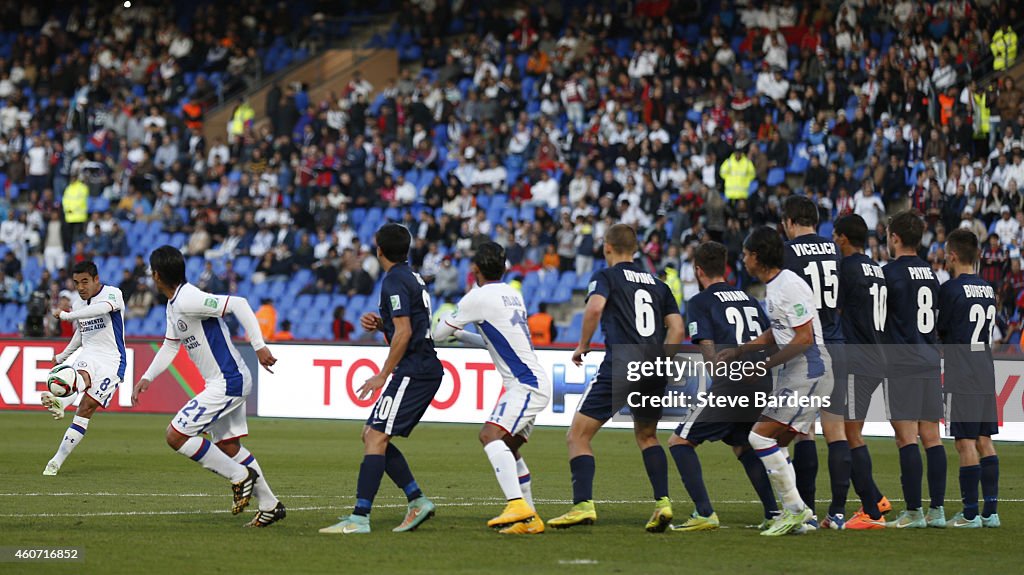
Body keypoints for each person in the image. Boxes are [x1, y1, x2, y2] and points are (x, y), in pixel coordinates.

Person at [131, 246, 284, 527]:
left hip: (228, 381)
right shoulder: (173, 304)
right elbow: (169, 345)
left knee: (175, 435)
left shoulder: (189, 298)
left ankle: (239, 476)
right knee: (228, 445)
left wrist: (259, 346)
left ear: (156, 275)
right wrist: (148, 377)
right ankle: (270, 504)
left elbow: (238, 304)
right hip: (223, 381)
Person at [547, 224, 684, 532]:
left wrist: (583, 344)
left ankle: (583, 506)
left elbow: (594, 309)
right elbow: (677, 329)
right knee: (648, 437)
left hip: (622, 362)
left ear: (607, 247)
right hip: (654, 365)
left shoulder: (606, 277)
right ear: (634, 249)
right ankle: (663, 502)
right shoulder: (658, 284)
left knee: (578, 436)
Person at [320, 224, 443, 535]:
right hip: (419, 366)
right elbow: (405, 323)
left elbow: (405, 332)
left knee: (375, 436)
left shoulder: (393, 281)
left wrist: (382, 374)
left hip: (414, 369)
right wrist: (383, 324)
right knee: (372, 434)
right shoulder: (409, 276)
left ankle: (360, 517)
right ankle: (416, 499)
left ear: (379, 250)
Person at [718, 226, 834, 537]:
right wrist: (742, 350)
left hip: (808, 371)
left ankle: (796, 510)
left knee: (758, 438)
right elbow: (778, 332)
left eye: (745, 254)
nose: (742, 260)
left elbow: (805, 337)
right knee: (778, 443)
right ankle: (796, 513)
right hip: (801, 373)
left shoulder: (789, 286)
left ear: (757, 256)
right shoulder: (776, 286)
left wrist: (765, 366)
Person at [434, 242, 551, 535]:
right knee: (508, 448)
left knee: (489, 435)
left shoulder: (477, 297)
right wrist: (462, 336)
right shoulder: (513, 295)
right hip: (533, 380)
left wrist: (447, 329)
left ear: (474, 269)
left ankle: (516, 504)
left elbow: (437, 335)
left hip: (525, 384)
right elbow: (493, 339)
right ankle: (530, 518)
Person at [665, 241, 778, 532]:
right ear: (725, 266)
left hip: (732, 384)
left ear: (698, 270)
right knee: (743, 445)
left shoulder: (700, 302)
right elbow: (771, 335)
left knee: (680, 442)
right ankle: (773, 512)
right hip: (762, 380)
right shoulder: (749, 298)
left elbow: (707, 346)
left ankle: (704, 513)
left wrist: (720, 375)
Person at [780, 195, 853, 529]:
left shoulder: (788, 252)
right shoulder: (834, 250)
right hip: (838, 344)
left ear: (791, 221)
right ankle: (837, 513)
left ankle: (805, 511)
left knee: (804, 432)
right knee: (836, 431)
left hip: (809, 349)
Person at [882, 210, 948, 529]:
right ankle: (937, 511)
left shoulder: (890, 273)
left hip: (902, 361)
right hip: (929, 359)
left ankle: (913, 512)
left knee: (906, 438)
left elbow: (880, 321)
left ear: (894, 237)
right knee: (932, 436)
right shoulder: (930, 272)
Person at [829, 214, 890, 529]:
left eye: (835, 236)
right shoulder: (875, 269)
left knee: (849, 434)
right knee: (853, 432)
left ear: (841, 238)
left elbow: (835, 310)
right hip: (877, 355)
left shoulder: (846, 269)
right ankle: (876, 497)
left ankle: (872, 513)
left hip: (856, 359)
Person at [938, 229, 1001, 528]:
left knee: (964, 442)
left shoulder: (950, 290)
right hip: (985, 370)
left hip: (961, 373)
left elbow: (940, 331)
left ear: (952, 255)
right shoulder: (988, 289)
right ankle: (991, 512)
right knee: (984, 440)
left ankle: (970, 513)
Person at [40, 261, 127, 476]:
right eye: (76, 283)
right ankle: (55, 461)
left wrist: (68, 315)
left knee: (86, 408)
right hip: (89, 353)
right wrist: (63, 356)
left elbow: (104, 309)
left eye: (85, 282)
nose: (80, 288)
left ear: (96, 279)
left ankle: (63, 406)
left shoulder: (113, 294)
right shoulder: (78, 305)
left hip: (112, 360)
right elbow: (80, 335)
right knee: (81, 376)